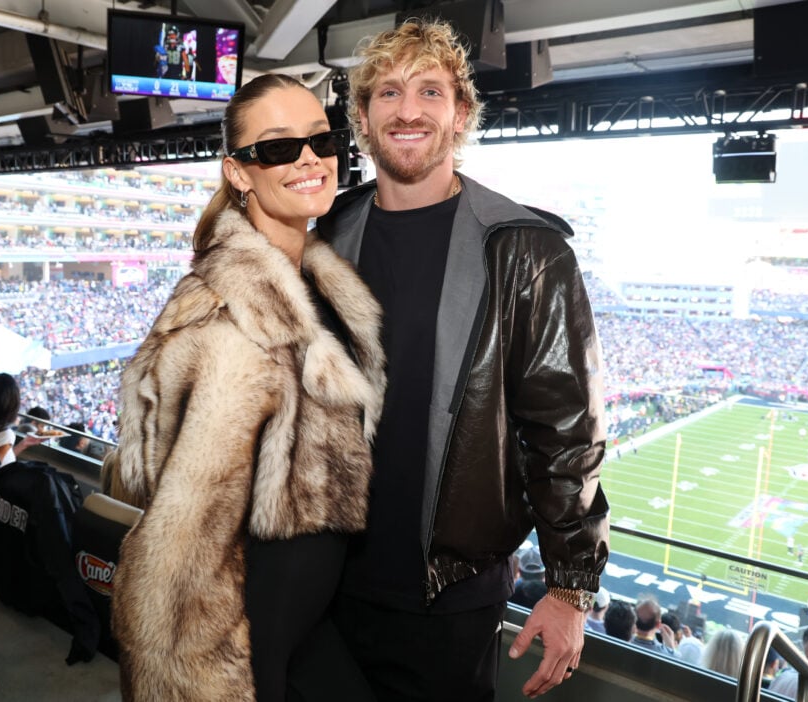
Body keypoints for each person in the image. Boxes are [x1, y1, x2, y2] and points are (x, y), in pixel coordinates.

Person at [317, 18, 609, 701]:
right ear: (361, 116)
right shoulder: (328, 235)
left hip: (447, 597)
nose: (408, 109)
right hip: (325, 580)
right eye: (387, 93)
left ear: (461, 113)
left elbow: (566, 430)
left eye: (429, 91)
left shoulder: (527, 252)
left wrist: (571, 585)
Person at [109, 73, 385, 702]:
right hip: (242, 649)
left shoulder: (320, 289)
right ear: (239, 172)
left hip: (308, 624)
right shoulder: (227, 326)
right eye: (280, 147)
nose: (310, 158)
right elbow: (181, 550)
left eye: (323, 138)